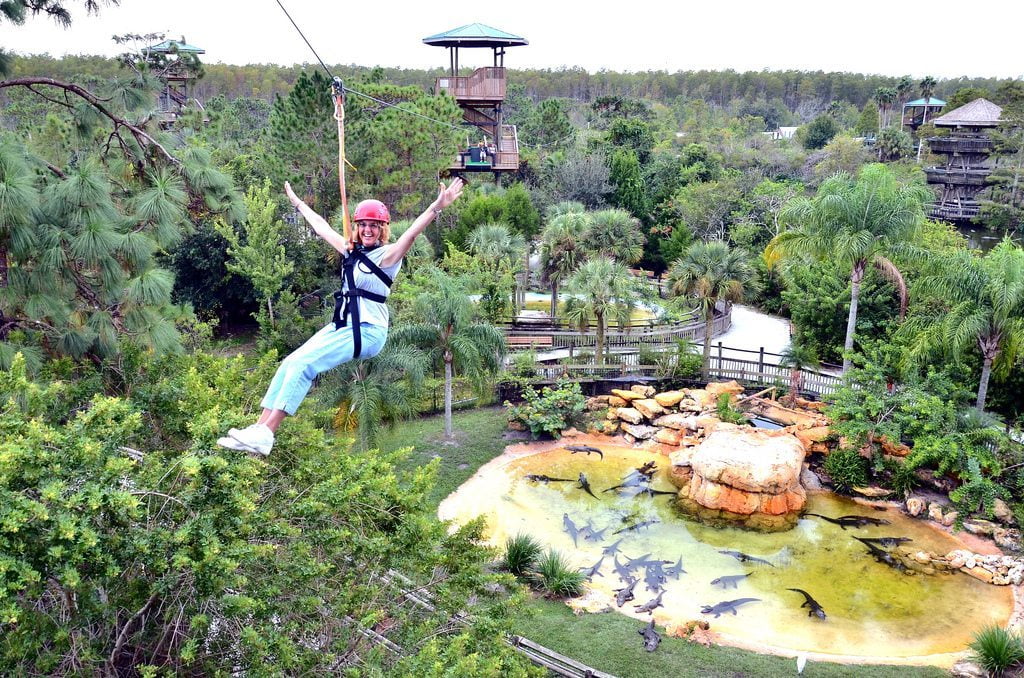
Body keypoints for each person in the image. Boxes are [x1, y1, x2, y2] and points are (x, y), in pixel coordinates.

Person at [217, 177, 465, 455]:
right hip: (344, 325)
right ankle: (258, 430)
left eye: (374, 225)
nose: (368, 229)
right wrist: (298, 204)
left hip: (367, 331)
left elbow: (410, 234)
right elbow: (322, 228)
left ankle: (267, 433)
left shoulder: (388, 256)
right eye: (363, 224)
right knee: (290, 362)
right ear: (357, 227)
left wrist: (436, 207)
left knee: (304, 366)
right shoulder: (351, 252)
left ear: (382, 229)